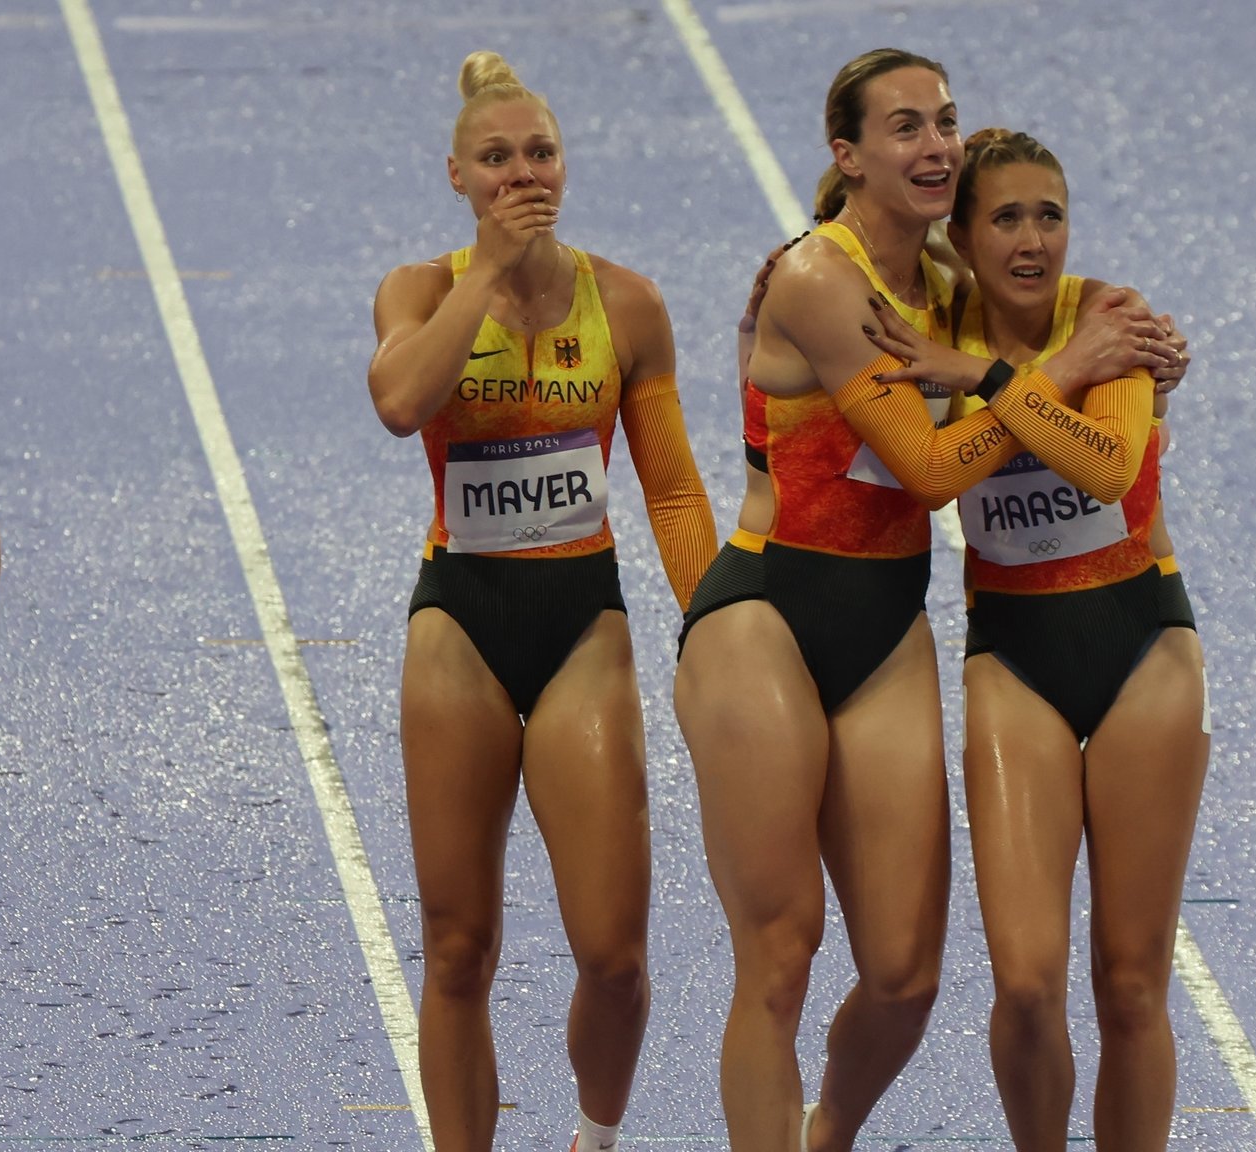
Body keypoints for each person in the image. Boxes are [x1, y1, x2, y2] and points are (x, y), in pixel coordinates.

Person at [674, 50, 1174, 1150]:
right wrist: (1046, 373)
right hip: (765, 608)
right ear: (845, 156)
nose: (935, 144)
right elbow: (929, 471)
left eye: (944, 122)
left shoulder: (946, 287)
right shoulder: (818, 278)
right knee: (781, 949)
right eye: (903, 127)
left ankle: (824, 1133)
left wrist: (1134, 347)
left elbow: (1045, 326)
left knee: (903, 976)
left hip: (885, 620)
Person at [366, 51, 716, 1152]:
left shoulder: (626, 303)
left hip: (581, 621)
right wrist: (487, 274)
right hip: (458, 621)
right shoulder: (421, 291)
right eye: (497, 159)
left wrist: (718, 626)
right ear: (457, 176)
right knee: (457, 944)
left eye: (541, 154)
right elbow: (397, 401)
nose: (524, 175)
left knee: (613, 956)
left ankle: (594, 1138)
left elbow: (666, 487)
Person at [861, 127, 1209, 1151]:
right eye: (1003, 217)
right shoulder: (922, 326)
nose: (1030, 240)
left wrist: (979, 374)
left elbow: (1103, 468)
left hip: (1141, 644)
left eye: (1047, 215)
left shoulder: (1111, 318)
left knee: (1132, 982)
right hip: (1013, 654)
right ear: (959, 237)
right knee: (1021, 980)